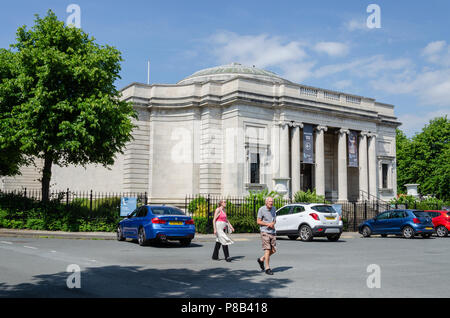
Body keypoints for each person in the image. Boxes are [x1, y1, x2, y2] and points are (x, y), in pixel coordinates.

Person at [257, 197, 277, 275]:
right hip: (264, 232)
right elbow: (258, 221)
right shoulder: (261, 209)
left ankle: (261, 259)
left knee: (274, 250)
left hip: (272, 231)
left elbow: (274, 219)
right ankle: (267, 268)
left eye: (272, 201)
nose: (271, 203)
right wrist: (267, 224)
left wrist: (273, 223)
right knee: (267, 250)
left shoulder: (274, 209)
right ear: (266, 202)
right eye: (269, 201)